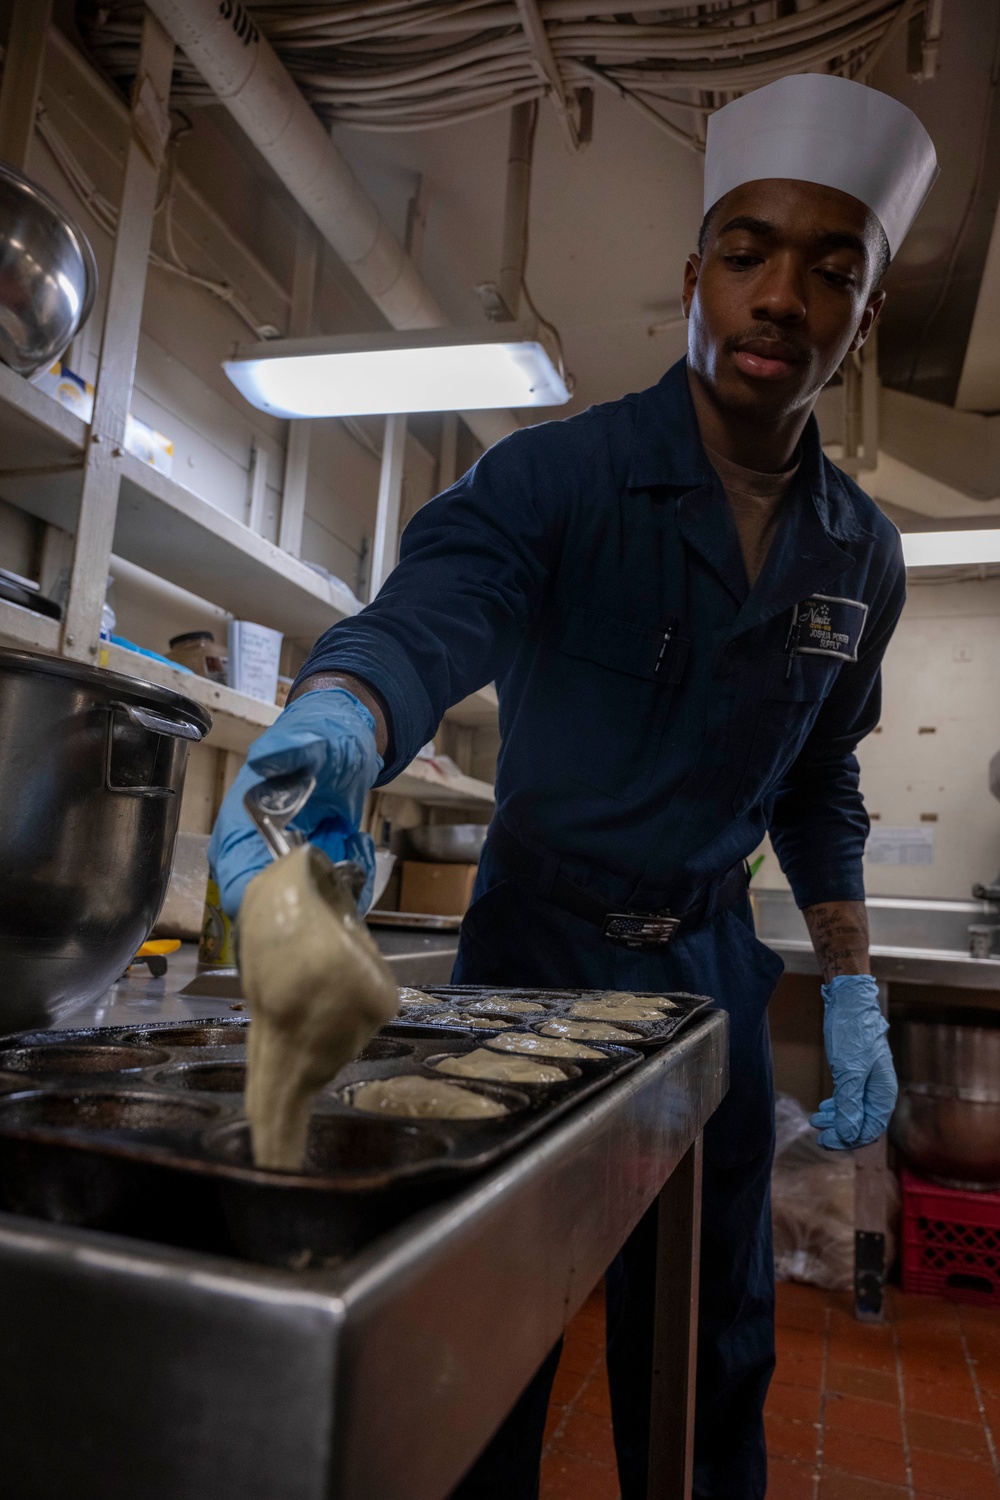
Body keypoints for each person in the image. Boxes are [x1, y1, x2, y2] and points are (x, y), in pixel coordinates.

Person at [210, 72, 937, 1500]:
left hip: (711, 976)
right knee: (499, 1339)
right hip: (529, 957)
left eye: (831, 272)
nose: (782, 295)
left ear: (863, 320)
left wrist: (851, 982)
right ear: (693, 279)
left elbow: (822, 784)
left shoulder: (863, 558)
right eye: (749, 254)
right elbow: (437, 610)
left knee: (719, 1339)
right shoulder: (558, 480)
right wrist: (345, 713)